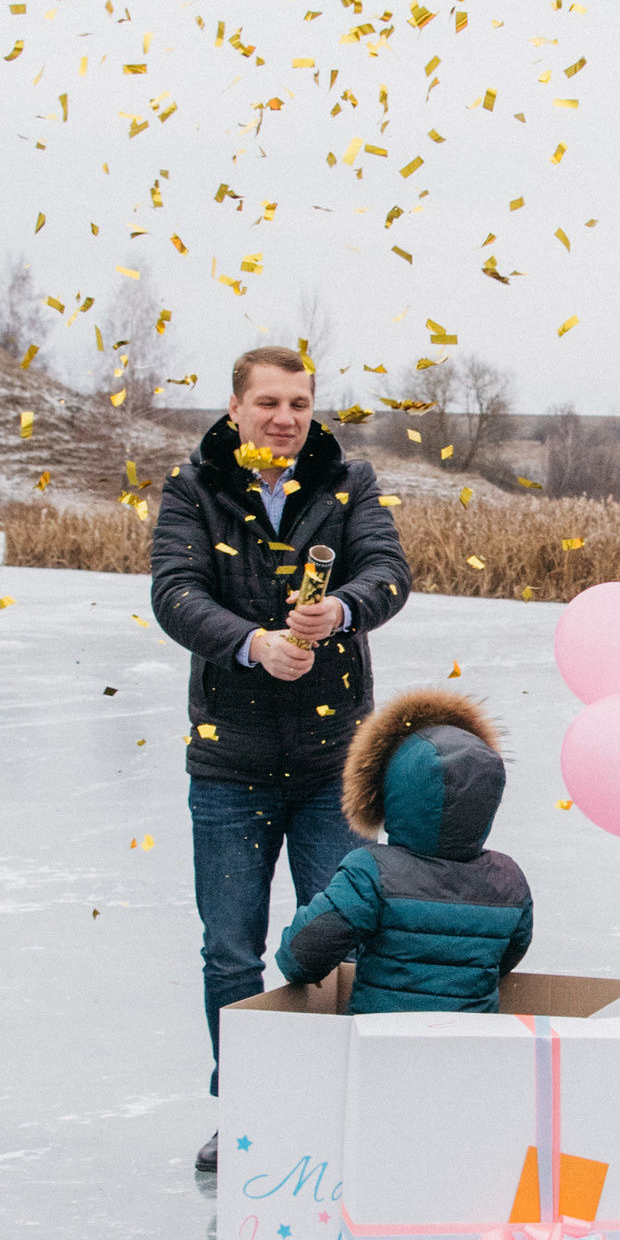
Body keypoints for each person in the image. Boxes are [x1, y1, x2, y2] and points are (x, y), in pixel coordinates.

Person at [149, 342, 411, 1171]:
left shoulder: (348, 482)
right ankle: (250, 1114)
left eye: (299, 403)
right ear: (236, 409)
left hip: (335, 764)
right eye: (268, 403)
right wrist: (254, 645)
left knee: (341, 939)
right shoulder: (194, 488)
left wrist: (342, 611)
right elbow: (175, 593)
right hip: (230, 764)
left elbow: (390, 572)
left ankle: (336, 1109)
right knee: (230, 949)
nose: (285, 418)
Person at [277, 687, 534, 1010]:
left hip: (380, 1036)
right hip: (470, 1039)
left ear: (394, 791)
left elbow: (302, 955)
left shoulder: (371, 872)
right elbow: (507, 957)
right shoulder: (508, 880)